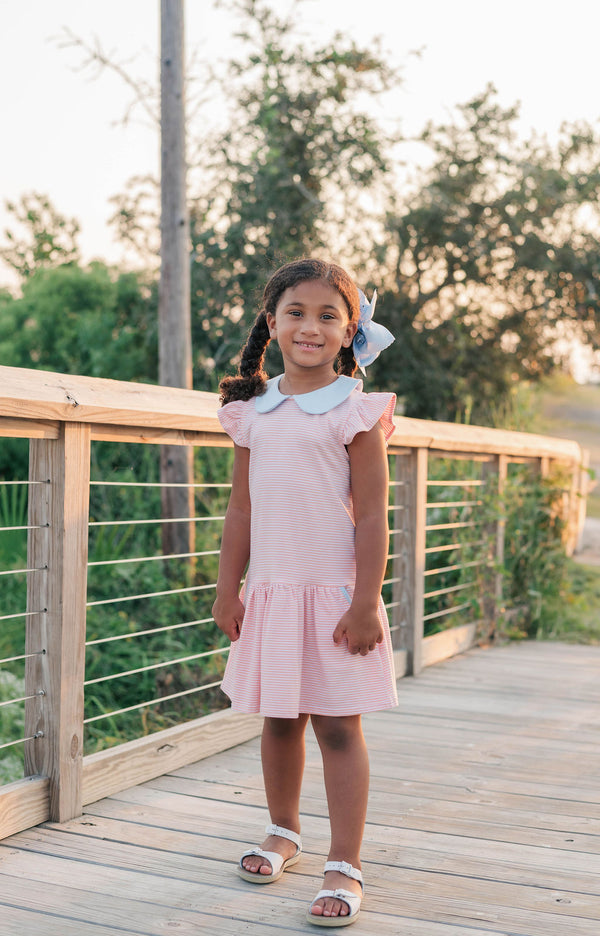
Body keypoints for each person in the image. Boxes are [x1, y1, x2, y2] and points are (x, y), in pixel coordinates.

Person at [212, 258, 398, 927]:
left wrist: (363, 603)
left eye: (328, 316)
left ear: (350, 332)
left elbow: (375, 515)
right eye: (296, 312)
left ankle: (344, 862)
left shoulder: (355, 412)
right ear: (272, 322)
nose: (310, 327)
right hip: (271, 593)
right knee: (279, 720)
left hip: (335, 597)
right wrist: (228, 589)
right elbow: (240, 511)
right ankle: (283, 830)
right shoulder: (251, 411)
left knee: (338, 730)